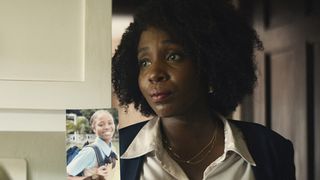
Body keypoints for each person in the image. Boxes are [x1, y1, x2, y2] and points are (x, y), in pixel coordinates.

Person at [112, 0, 295, 179]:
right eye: (145, 62)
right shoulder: (114, 149)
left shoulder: (272, 149)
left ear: (211, 64)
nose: (154, 73)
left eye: (173, 56)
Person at [67, 110, 118, 180]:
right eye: (101, 124)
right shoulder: (90, 152)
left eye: (110, 123)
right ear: (94, 128)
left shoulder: (113, 149)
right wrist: (93, 177)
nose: (107, 127)